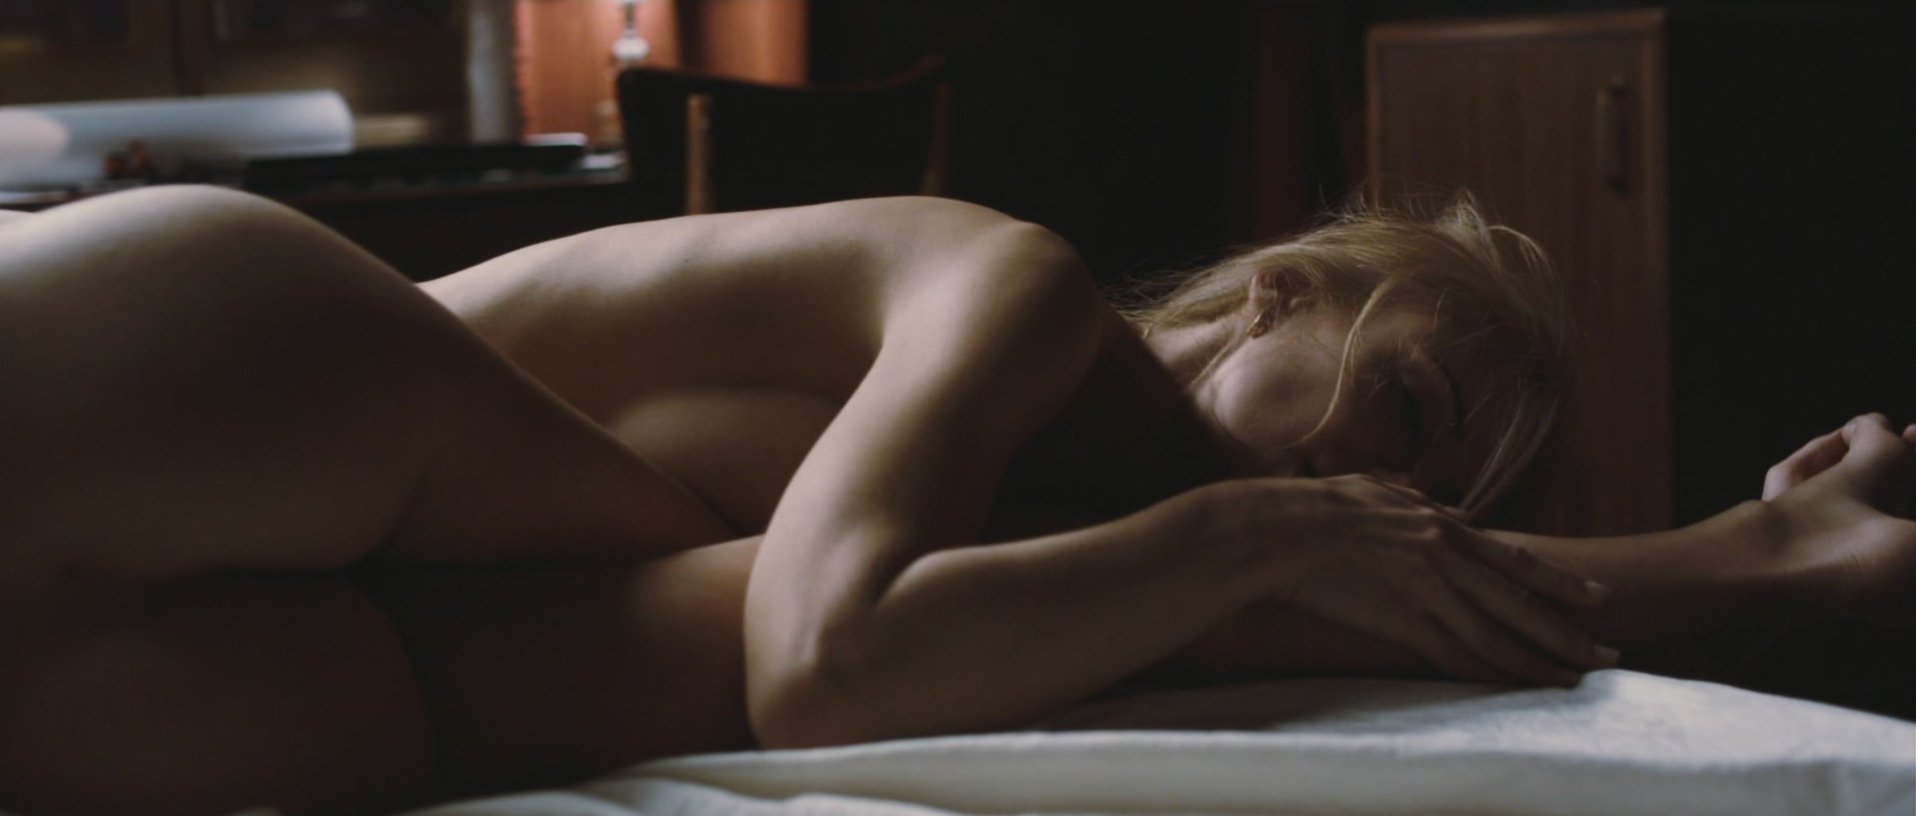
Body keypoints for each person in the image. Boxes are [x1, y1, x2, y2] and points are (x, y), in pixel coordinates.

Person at [0, 186, 1909, 816]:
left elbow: (1360, 583)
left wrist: (1754, 561)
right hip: (230, 378)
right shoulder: (1008, 289)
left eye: (1433, 485)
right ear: (1281, 294)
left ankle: (1785, 553)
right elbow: (821, 671)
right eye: (1401, 403)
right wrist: (1235, 536)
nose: (1372, 481)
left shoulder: (1034, 568)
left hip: (257, 652)